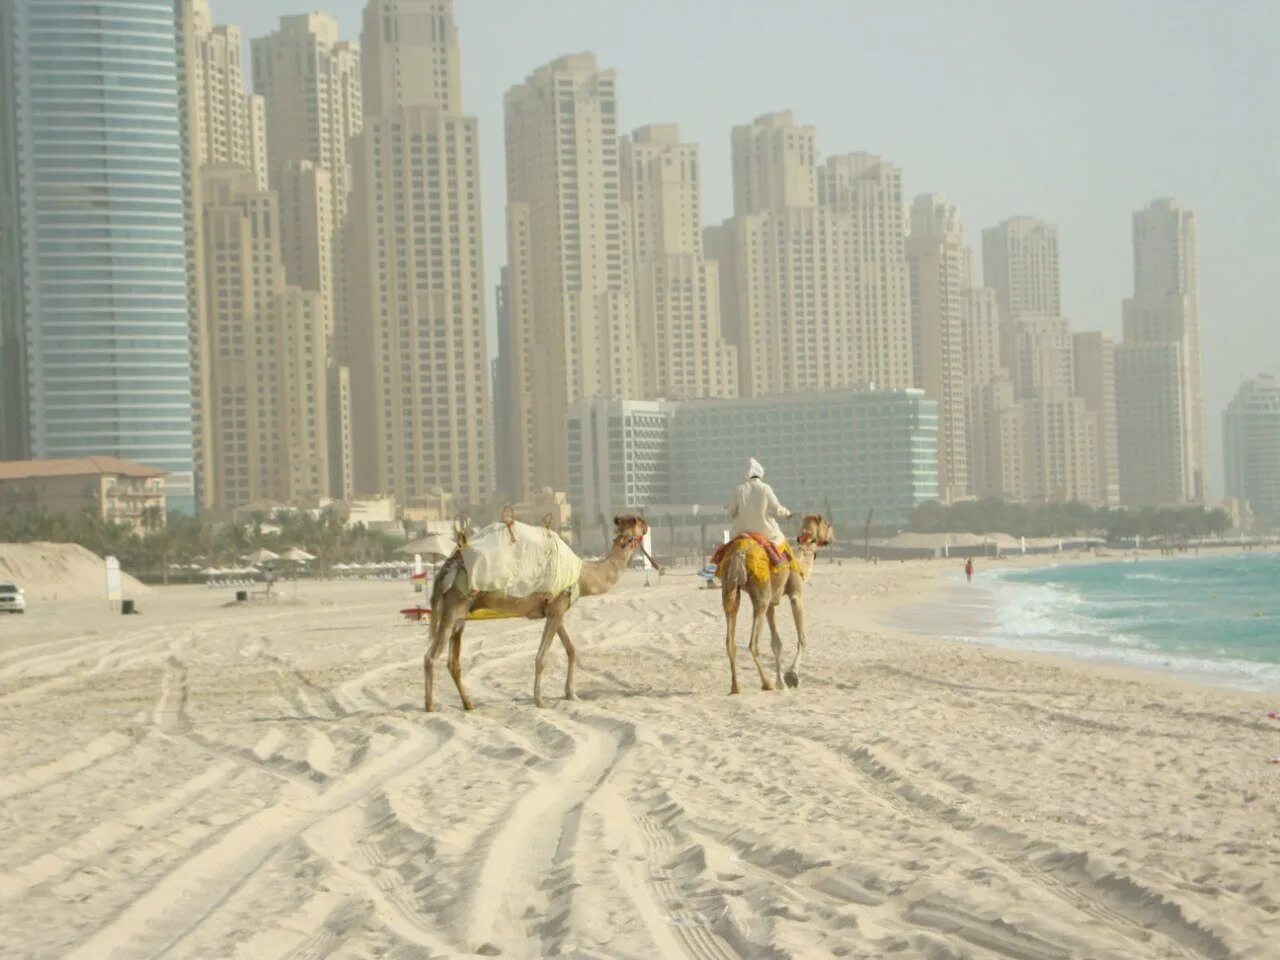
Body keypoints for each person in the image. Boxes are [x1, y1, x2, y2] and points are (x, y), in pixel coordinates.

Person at [728, 458, 791, 546]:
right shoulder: (766, 488)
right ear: (760, 474)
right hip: (766, 532)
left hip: (741, 531)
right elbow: (777, 509)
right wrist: (787, 514)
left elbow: (732, 512)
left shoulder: (739, 489)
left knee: (729, 547)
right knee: (780, 538)